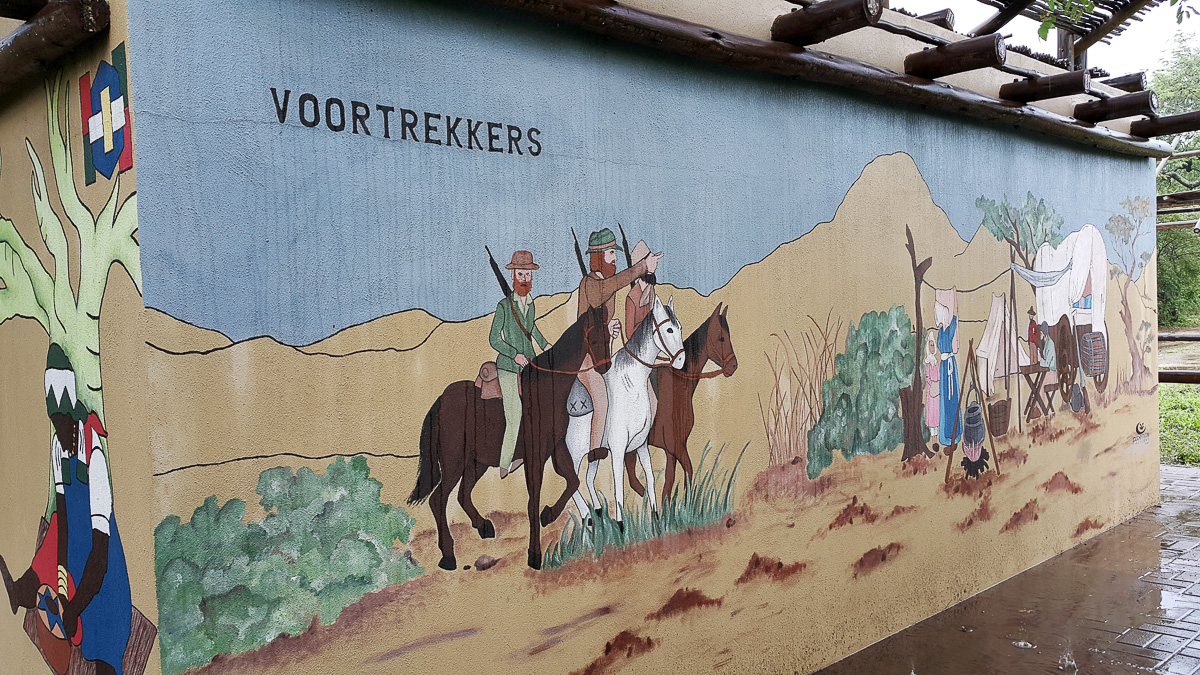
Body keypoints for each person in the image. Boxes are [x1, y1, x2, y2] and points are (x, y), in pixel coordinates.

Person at [0, 345, 132, 675]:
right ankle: (24, 590)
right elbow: (63, 518)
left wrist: (74, 607)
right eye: (55, 424)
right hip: (74, 556)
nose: (60, 432)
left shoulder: (94, 452)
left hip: (101, 572)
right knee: (54, 536)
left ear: (73, 414)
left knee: (104, 647)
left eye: (64, 422)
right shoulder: (59, 447)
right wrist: (60, 581)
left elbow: (100, 555)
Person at [577, 228, 662, 461]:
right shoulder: (591, 283)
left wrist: (608, 328)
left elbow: (599, 320)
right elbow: (608, 289)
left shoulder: (606, 284)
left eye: (615, 252)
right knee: (602, 398)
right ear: (598, 256)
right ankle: (595, 450)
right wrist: (642, 267)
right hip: (585, 357)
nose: (615, 258)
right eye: (610, 253)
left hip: (601, 353)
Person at [488, 251, 551, 479]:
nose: (524, 279)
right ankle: (505, 463)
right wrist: (514, 355)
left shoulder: (531, 305)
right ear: (513, 276)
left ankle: (527, 452)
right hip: (508, 366)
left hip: (530, 364)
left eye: (528, 274)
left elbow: (531, 328)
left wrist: (546, 345)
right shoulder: (504, 306)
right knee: (514, 414)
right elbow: (494, 339)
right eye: (520, 274)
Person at [935, 289, 961, 450]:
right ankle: (946, 435)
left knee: (952, 399)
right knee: (945, 399)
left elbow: (955, 315)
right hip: (945, 367)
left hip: (949, 366)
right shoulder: (940, 332)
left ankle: (954, 433)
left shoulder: (948, 329)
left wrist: (955, 295)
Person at [923, 328, 941, 452]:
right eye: (930, 345)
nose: (932, 348)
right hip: (931, 393)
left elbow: (938, 376)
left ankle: (937, 440)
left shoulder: (936, 362)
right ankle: (933, 441)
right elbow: (927, 377)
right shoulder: (928, 362)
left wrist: (937, 384)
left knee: (937, 415)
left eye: (933, 345)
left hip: (937, 392)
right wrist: (933, 384)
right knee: (932, 417)